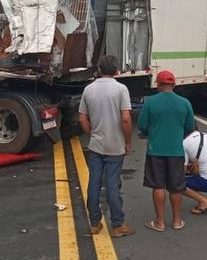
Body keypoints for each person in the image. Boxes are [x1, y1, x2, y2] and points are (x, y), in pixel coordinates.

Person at [78, 55, 136, 238]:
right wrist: (127, 141)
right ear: (117, 71)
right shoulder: (121, 89)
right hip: (115, 146)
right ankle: (117, 224)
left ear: (99, 70)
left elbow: (82, 119)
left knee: (94, 182)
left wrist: (92, 133)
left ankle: (95, 223)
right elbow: (126, 119)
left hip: (96, 145)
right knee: (112, 184)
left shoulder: (88, 89)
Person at [138, 70, 195, 232]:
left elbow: (142, 125)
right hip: (176, 151)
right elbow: (190, 127)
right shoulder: (184, 103)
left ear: (158, 85)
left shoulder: (150, 102)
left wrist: (153, 133)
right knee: (176, 187)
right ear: (174, 85)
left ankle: (160, 222)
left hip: (155, 150)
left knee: (158, 186)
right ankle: (177, 221)